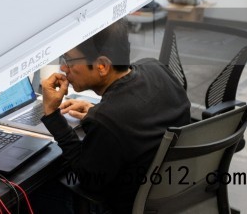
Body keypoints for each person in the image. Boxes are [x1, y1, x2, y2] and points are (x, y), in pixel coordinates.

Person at [39, 19, 190, 213]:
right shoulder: (157, 68)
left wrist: (52, 115)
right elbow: (137, 113)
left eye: (69, 61)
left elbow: (89, 181)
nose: (63, 69)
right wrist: (97, 110)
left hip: (123, 206)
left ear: (102, 66)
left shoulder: (106, 119)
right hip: (172, 193)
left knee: (42, 189)